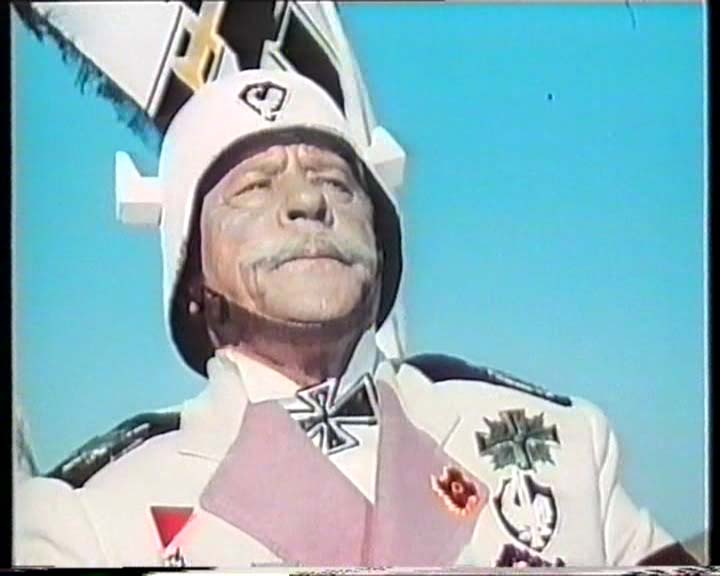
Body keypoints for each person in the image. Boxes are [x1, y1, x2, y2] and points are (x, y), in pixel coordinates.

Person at [13, 69, 698, 568]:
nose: (308, 202)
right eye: (254, 188)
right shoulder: (87, 520)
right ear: (192, 276)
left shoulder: (563, 443)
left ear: (381, 239)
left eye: (337, 182)